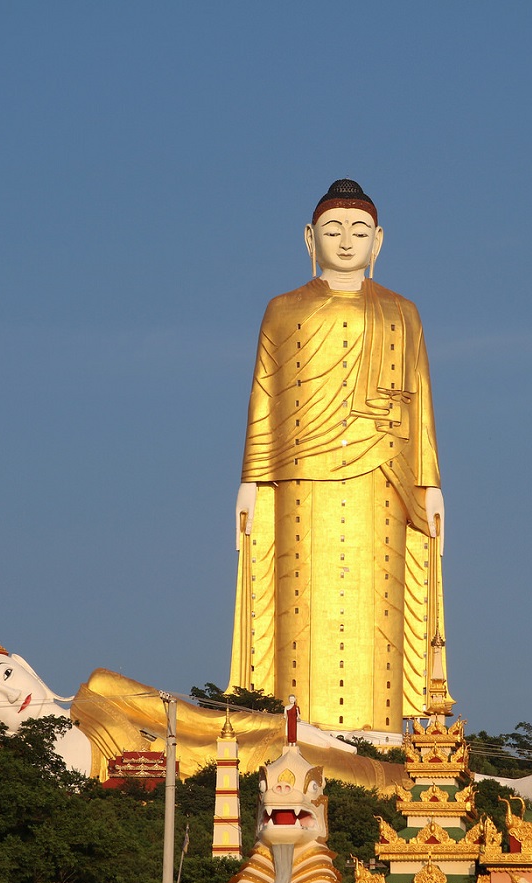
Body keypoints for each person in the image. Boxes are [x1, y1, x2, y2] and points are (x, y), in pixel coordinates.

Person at [230, 179, 447, 733]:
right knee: (297, 609)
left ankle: (386, 733)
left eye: (358, 231)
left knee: (381, 607)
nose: (346, 241)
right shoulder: (283, 310)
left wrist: (431, 483)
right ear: (309, 238)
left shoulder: (402, 312)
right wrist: (251, 480)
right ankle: (293, 730)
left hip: (383, 478)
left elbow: (420, 400)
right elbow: (265, 395)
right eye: (333, 230)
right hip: (300, 479)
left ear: (379, 241)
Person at [0, 643, 407, 789]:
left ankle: (461, 780)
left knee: (357, 775)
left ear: (27, 666)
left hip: (232, 762)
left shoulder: (97, 692)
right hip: (201, 818)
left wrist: (284, 728)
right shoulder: (31, 781)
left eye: (7, 673)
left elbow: (199, 721)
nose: (12, 693)